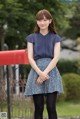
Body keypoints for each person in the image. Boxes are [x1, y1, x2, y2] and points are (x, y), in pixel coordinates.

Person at [24, 9, 63, 119]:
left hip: (52, 72)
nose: (42, 22)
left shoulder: (56, 38)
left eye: (45, 20)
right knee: (39, 107)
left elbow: (55, 58)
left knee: (51, 107)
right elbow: (30, 58)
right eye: (39, 20)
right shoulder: (31, 37)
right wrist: (39, 73)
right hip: (36, 71)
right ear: (37, 22)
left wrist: (44, 73)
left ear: (50, 21)